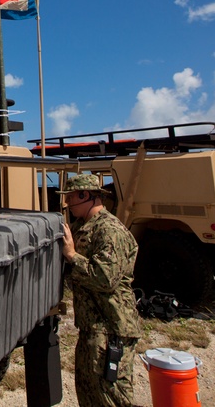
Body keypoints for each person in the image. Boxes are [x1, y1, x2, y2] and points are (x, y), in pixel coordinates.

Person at [61, 174, 141, 407]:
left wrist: (71, 255)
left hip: (112, 329)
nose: (67, 203)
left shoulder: (109, 229)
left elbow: (105, 278)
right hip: (93, 328)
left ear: (85, 195)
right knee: (90, 393)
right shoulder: (85, 226)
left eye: (71, 197)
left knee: (112, 396)